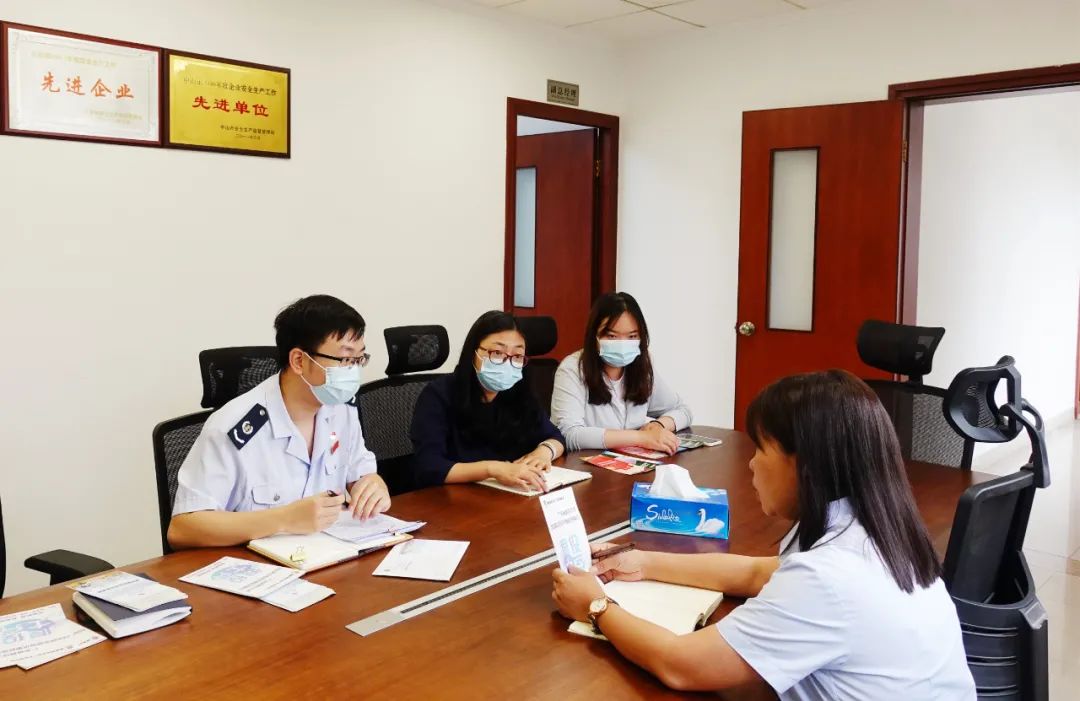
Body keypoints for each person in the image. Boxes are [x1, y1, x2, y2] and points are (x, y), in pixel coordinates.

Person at [550, 370, 977, 699]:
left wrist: (595, 606)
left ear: (804, 464)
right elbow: (758, 573)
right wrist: (643, 562)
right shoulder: (873, 529)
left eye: (762, 449)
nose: (752, 464)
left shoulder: (829, 578)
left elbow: (681, 665)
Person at [168, 295, 390, 549]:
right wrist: (284, 519)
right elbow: (182, 529)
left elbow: (359, 472)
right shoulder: (233, 428)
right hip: (257, 565)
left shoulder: (341, 409)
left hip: (328, 556)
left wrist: (371, 485)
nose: (353, 371)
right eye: (345, 360)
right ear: (299, 361)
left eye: (359, 359)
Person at [409, 311, 566, 492]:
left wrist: (545, 451)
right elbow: (429, 467)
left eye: (517, 356)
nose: (507, 363)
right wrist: (493, 469)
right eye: (497, 352)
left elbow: (556, 436)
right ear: (474, 352)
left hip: (513, 495)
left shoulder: (519, 392)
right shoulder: (438, 395)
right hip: (455, 498)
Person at [550, 291, 691, 453]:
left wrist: (657, 425)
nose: (622, 344)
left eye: (632, 336)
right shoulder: (572, 369)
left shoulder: (642, 364)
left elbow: (683, 410)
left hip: (632, 462)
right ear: (594, 335)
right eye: (612, 336)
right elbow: (568, 434)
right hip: (584, 463)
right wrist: (641, 438)